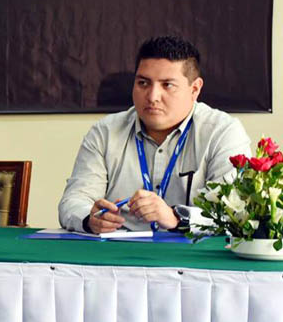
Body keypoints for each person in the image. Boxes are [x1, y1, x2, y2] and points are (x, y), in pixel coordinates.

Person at [58, 36, 251, 233]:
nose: (152, 97)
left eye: (167, 85)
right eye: (143, 83)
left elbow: (234, 213)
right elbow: (73, 201)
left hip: (190, 249)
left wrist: (176, 217)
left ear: (194, 89)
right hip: (118, 248)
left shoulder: (222, 132)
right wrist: (89, 219)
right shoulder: (105, 132)